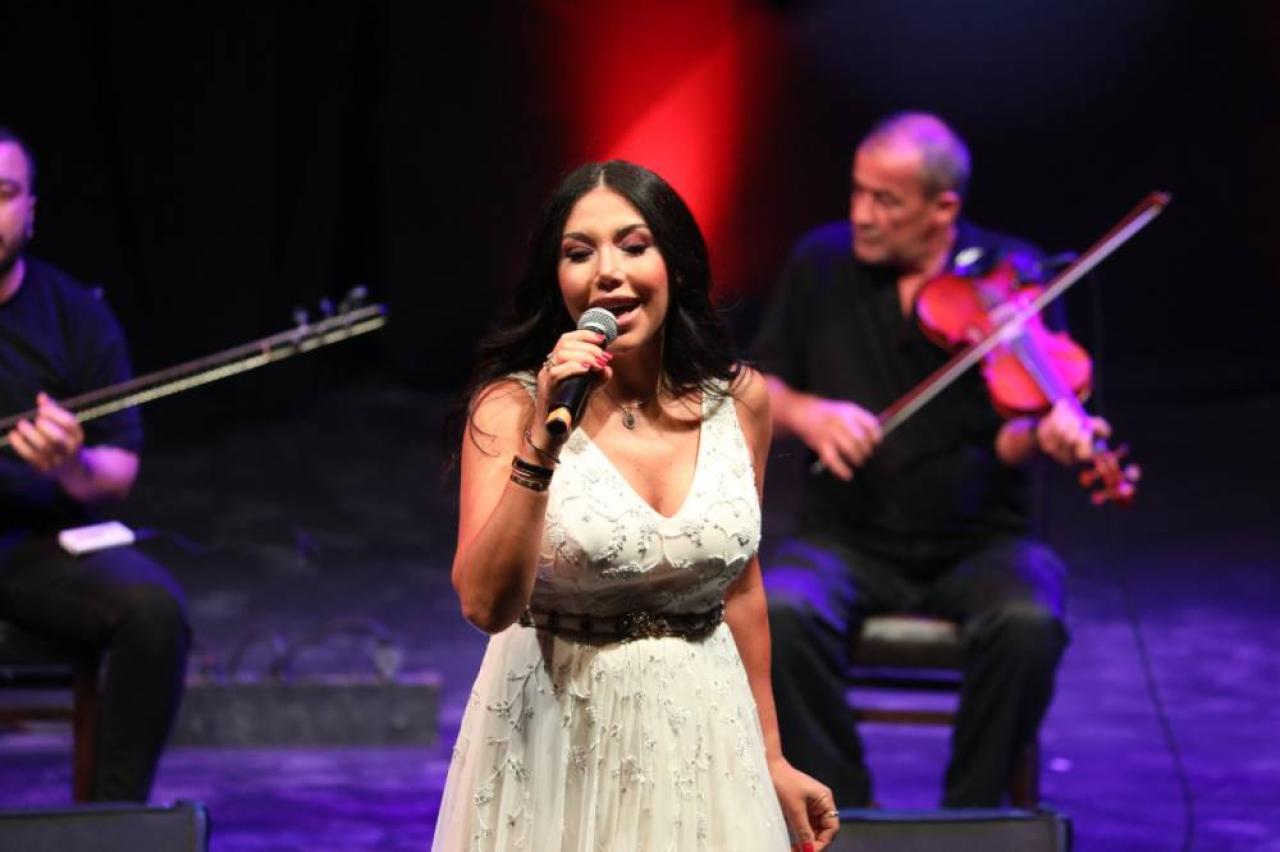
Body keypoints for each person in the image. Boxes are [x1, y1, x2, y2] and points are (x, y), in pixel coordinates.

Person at [433, 160, 839, 851]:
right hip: (558, 738)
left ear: (674, 263)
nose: (607, 273)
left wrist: (771, 757)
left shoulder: (740, 400)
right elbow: (485, 605)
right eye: (578, 253)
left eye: (634, 245)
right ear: (556, 279)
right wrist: (541, 445)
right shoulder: (511, 408)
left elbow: (740, 584)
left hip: (705, 736)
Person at [751, 112, 1108, 808]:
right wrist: (810, 413)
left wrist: (1050, 433)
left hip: (980, 543)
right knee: (781, 611)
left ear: (943, 208)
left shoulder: (1013, 276)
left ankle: (972, 816)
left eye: (885, 200)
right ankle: (846, 813)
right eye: (858, 192)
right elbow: (759, 382)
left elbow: (1016, 434)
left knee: (1031, 624)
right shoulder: (821, 262)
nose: (862, 214)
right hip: (846, 539)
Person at [0, 125, 190, 802]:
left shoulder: (75, 315)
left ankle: (112, 822)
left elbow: (120, 469)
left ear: (31, 210)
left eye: (3, 193)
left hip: (33, 548)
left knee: (153, 612)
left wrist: (70, 465)